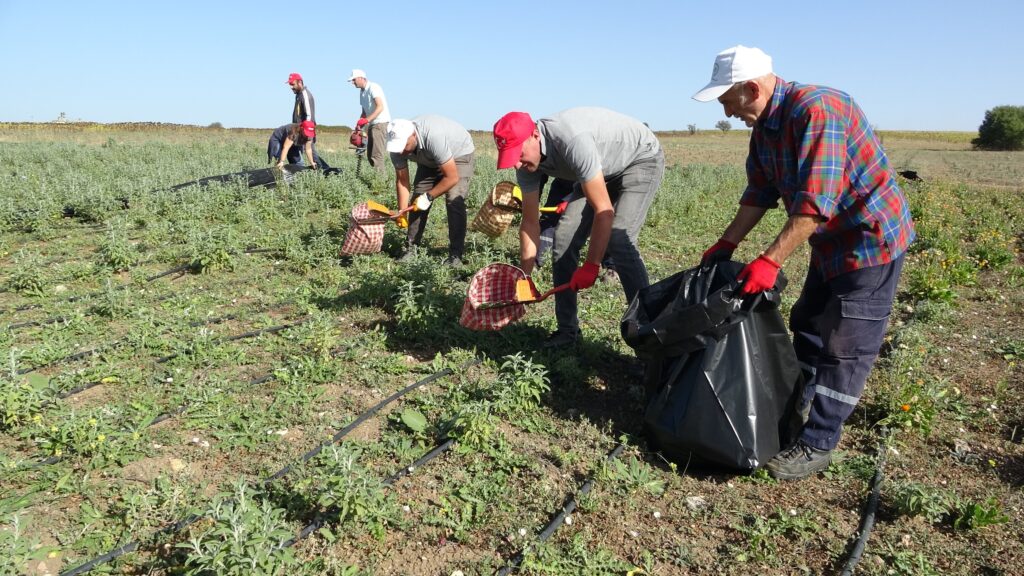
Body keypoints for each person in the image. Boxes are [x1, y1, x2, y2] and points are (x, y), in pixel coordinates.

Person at [693, 45, 916, 480]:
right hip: (828, 243)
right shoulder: (764, 130)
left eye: (726, 101)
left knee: (846, 343)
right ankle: (797, 407)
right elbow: (760, 192)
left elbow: (815, 204)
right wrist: (726, 243)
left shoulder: (819, 111)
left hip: (870, 241)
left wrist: (770, 261)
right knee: (810, 321)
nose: (726, 110)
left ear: (751, 88)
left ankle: (818, 441)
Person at [492, 107, 664, 348]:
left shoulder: (571, 141)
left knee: (619, 241)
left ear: (534, 136)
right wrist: (525, 276)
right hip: (600, 169)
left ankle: (651, 336)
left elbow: (604, 211)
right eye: (511, 159)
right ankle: (567, 331)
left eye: (519, 155)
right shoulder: (525, 164)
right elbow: (530, 221)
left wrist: (592, 265)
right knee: (563, 239)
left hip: (639, 159)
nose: (518, 164)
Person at [386, 115, 475, 266]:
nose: (400, 151)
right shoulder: (396, 147)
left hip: (459, 154)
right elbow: (402, 181)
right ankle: (411, 249)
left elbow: (452, 177)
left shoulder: (433, 136)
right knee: (417, 199)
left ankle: (455, 255)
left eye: (404, 145)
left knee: (454, 200)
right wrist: (402, 211)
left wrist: (429, 197)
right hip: (428, 159)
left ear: (413, 135)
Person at [348, 69, 391, 172]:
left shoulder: (373, 87)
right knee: (370, 155)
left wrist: (366, 120)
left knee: (376, 156)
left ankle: (380, 184)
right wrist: (359, 124)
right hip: (372, 124)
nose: (352, 83)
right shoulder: (362, 92)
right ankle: (376, 179)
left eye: (354, 80)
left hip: (380, 123)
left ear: (361, 78)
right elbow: (364, 111)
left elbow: (380, 107)